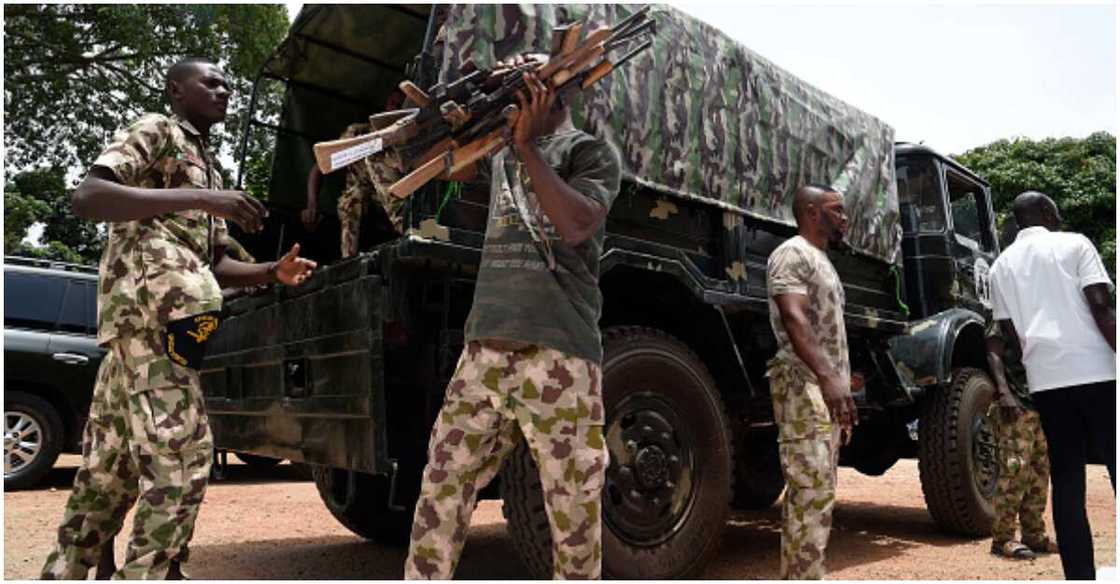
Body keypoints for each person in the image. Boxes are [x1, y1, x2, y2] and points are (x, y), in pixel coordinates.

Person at [40, 57, 317, 580]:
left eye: (227, 86)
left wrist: (269, 272)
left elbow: (214, 262)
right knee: (184, 463)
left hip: (144, 331)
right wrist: (204, 198)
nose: (222, 91)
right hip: (150, 321)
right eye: (209, 82)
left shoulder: (208, 165)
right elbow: (89, 197)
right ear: (175, 90)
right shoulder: (159, 130)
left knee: (105, 474)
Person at [403, 53, 620, 580]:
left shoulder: (589, 150)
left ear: (556, 94)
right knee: (443, 486)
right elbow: (439, 163)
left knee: (571, 506)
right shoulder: (499, 154)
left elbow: (576, 224)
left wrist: (525, 146)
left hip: (557, 351)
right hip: (485, 350)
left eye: (522, 89)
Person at [988, 190, 1115, 580]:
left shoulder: (999, 267)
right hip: (1098, 371)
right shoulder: (1075, 244)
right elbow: (1100, 304)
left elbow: (1008, 331)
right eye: (1055, 209)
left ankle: (1079, 575)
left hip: (1047, 384)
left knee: (1067, 480)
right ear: (1045, 211)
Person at [766, 184, 857, 579]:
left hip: (819, 391)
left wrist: (840, 386)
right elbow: (794, 317)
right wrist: (828, 380)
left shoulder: (820, 259)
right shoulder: (792, 254)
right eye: (836, 210)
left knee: (818, 494)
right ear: (811, 211)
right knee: (811, 493)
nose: (844, 217)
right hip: (802, 385)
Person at [984, 320, 1059, 560]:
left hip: (1040, 403)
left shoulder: (1039, 314)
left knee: (1039, 474)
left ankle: (1034, 535)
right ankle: (1003, 539)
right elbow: (993, 353)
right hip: (1015, 404)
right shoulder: (1005, 314)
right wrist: (1004, 393)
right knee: (1014, 472)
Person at [303, 90, 408, 256]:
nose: (395, 109)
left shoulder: (413, 135)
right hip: (366, 195)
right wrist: (312, 205)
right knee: (352, 198)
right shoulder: (360, 133)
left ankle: (423, 232)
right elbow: (321, 166)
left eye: (401, 106)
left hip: (402, 192)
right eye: (393, 104)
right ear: (386, 105)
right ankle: (348, 259)